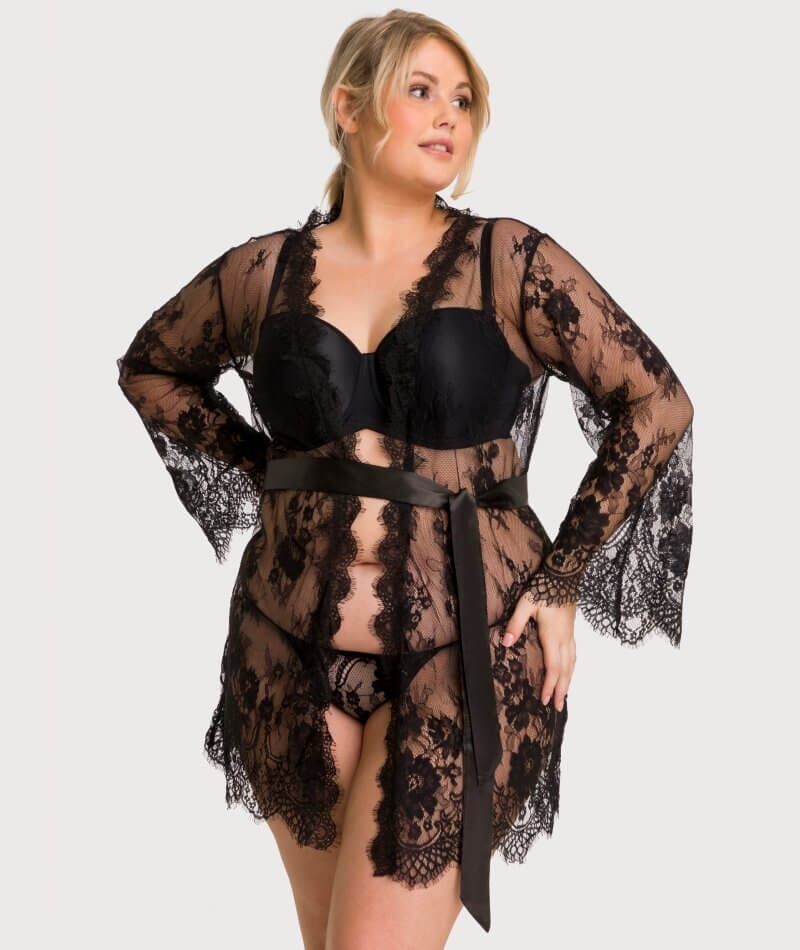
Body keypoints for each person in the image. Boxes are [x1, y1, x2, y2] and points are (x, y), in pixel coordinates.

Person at [116, 10, 694, 949]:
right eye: (419, 91)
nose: (448, 115)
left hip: (468, 648)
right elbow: (151, 368)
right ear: (348, 108)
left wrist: (563, 577)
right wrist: (275, 473)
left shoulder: (508, 259)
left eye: (463, 99)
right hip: (283, 644)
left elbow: (656, 404)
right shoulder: (268, 271)